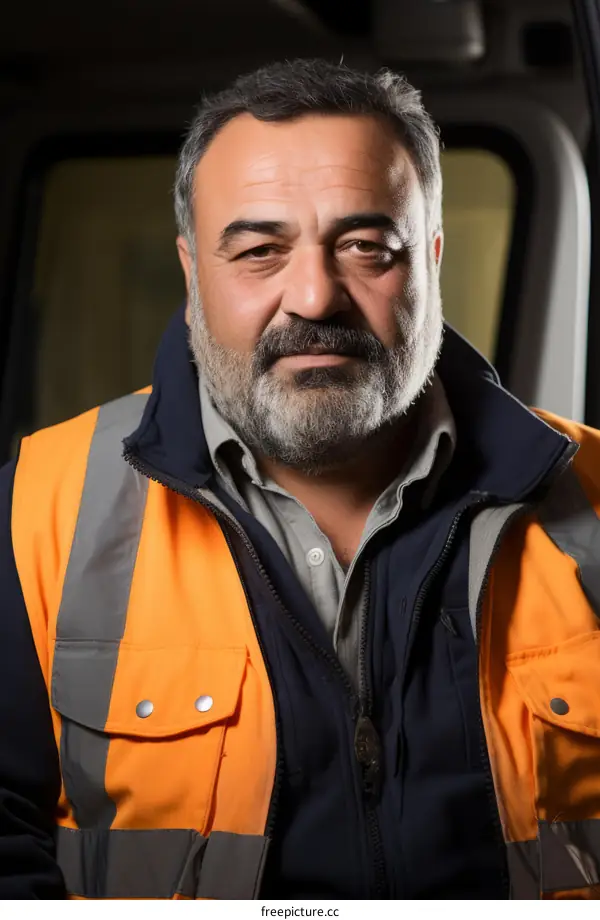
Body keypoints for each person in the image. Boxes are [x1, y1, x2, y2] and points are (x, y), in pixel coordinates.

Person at [1, 58, 599, 902]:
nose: (315, 296)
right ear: (191, 273)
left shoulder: (596, 497)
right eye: (258, 250)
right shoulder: (37, 509)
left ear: (430, 257)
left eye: (366, 247)